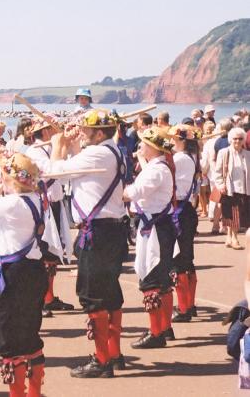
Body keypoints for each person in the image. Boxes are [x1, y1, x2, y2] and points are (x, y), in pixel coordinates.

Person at [0, 152, 60, 396]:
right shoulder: (35, 199)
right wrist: (0, 188)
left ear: (12, 181)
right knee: (30, 334)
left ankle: (18, 393)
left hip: (13, 275)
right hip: (33, 271)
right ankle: (35, 393)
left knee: (10, 339)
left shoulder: (12, 204)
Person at [49, 109, 128, 378]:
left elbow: (54, 171)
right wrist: (71, 146)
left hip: (99, 233)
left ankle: (102, 360)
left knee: (93, 296)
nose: (82, 132)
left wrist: (57, 145)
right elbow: (76, 168)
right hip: (110, 230)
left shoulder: (99, 154)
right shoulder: (109, 151)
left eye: (86, 130)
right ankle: (114, 354)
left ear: (101, 132)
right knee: (109, 294)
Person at [123, 127, 175, 349]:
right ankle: (164, 328)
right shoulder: (157, 166)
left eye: (143, 143)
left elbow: (136, 192)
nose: (139, 146)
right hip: (157, 226)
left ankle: (157, 333)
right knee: (161, 279)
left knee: (152, 279)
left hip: (154, 227)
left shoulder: (157, 170)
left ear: (153, 148)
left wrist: (123, 191)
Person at [25, 117, 75, 316]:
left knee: (52, 255)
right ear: (46, 132)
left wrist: (67, 143)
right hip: (42, 208)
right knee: (43, 253)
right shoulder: (33, 152)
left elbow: (63, 170)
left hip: (54, 205)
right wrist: (60, 144)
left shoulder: (47, 148)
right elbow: (52, 170)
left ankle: (49, 297)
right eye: (53, 129)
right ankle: (41, 299)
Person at [168, 124, 201, 322]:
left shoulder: (179, 158)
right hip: (186, 209)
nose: (171, 141)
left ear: (181, 140)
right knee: (186, 258)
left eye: (173, 138)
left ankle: (184, 308)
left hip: (179, 209)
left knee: (179, 259)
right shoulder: (191, 156)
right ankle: (189, 304)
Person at [214, 127, 250, 250]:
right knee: (234, 215)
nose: (237, 141)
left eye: (240, 139)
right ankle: (235, 239)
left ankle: (229, 237)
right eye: (235, 139)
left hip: (244, 189)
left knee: (233, 215)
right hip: (229, 189)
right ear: (230, 139)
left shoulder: (247, 154)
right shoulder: (224, 152)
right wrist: (220, 185)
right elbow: (217, 172)